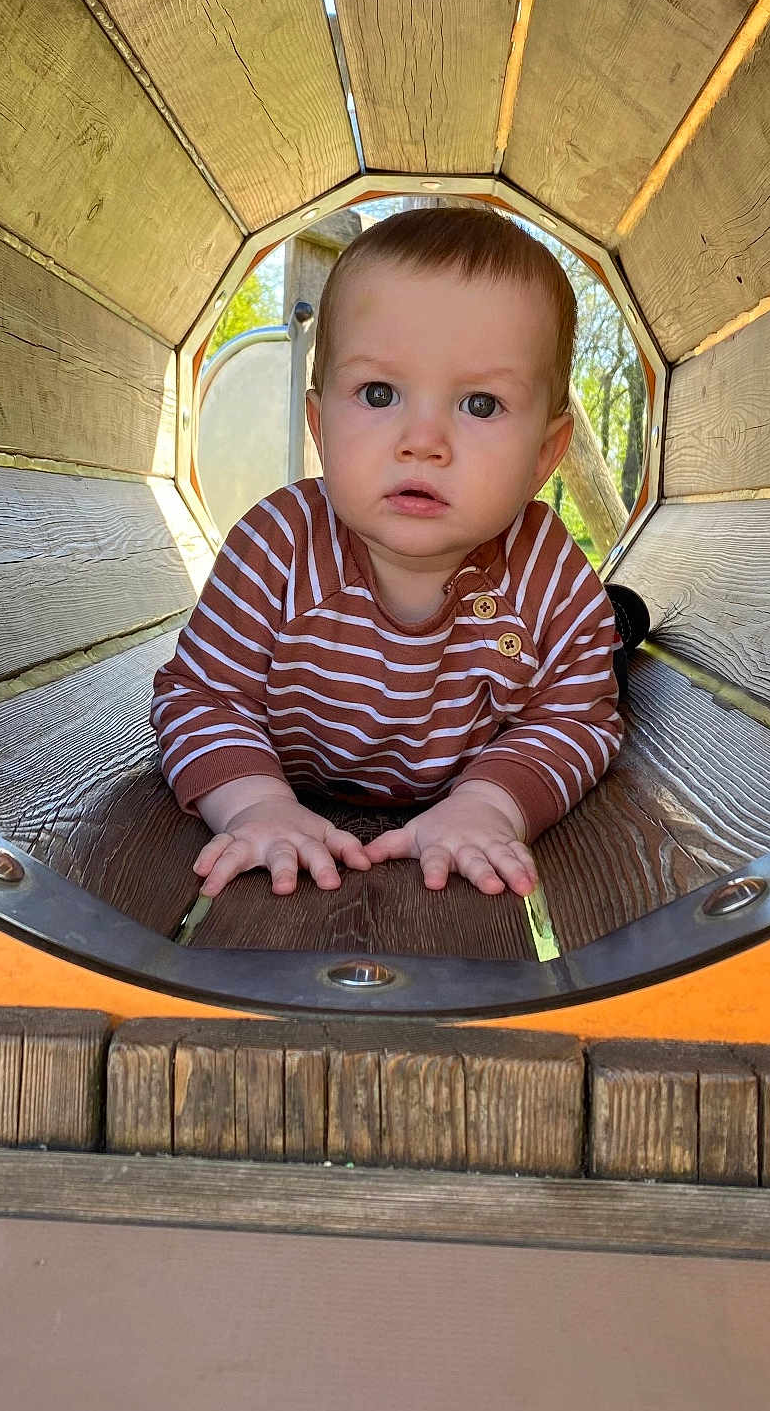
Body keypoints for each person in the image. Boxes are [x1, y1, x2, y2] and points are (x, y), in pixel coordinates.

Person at [151, 206, 626, 902]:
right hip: (291, 774)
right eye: (380, 393)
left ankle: (623, 626)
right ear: (319, 425)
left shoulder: (551, 577)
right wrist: (256, 806)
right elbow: (198, 695)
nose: (423, 440)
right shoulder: (274, 549)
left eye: (482, 405)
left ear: (545, 456)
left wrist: (489, 807)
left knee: (605, 650)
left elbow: (578, 717)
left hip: (467, 769)